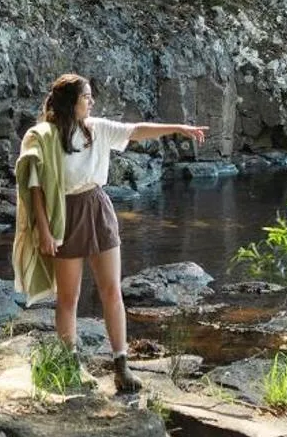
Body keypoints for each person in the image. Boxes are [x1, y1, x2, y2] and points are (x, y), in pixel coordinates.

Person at [14, 73, 206, 393]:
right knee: (69, 297)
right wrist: (44, 231)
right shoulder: (43, 136)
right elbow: (34, 187)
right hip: (64, 214)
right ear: (70, 101)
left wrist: (178, 128)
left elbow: (136, 130)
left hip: (97, 207)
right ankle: (70, 364)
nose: (91, 102)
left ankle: (121, 365)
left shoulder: (96, 129)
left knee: (112, 290)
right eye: (86, 96)